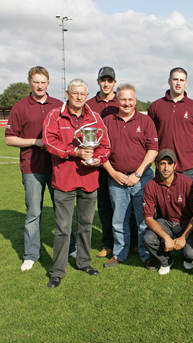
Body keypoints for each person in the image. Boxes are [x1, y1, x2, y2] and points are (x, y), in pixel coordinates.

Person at [5, 66, 76, 272]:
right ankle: (31, 254)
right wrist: (36, 142)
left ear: (48, 83)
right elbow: (9, 139)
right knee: (34, 213)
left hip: (58, 168)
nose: (39, 85)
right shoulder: (20, 107)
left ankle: (71, 248)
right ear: (30, 82)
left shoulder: (58, 105)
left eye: (43, 82)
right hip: (32, 168)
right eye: (36, 82)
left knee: (63, 212)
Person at [43, 79, 110, 288]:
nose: (79, 97)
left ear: (87, 94)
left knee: (86, 226)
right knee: (63, 228)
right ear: (67, 94)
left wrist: (98, 159)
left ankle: (83, 262)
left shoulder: (95, 117)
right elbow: (49, 142)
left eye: (83, 94)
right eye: (75, 93)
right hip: (64, 180)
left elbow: (106, 145)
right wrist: (75, 152)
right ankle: (57, 271)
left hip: (89, 180)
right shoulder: (55, 115)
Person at [101, 83, 158, 270]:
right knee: (118, 220)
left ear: (135, 100)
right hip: (116, 179)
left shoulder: (146, 121)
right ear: (117, 100)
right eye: (123, 99)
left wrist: (138, 173)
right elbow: (101, 151)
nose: (127, 103)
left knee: (143, 220)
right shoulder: (107, 121)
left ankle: (146, 254)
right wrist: (113, 173)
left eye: (130, 99)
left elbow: (153, 149)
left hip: (142, 178)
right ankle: (119, 254)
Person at [147, 67, 193, 187]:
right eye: (175, 79)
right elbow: (150, 136)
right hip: (164, 165)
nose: (178, 83)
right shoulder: (155, 106)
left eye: (181, 80)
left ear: (186, 83)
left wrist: (189, 153)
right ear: (169, 81)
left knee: (191, 204)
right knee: (163, 203)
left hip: (189, 168)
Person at [142, 149, 193, 275]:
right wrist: (166, 237)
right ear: (156, 165)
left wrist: (183, 237)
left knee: (190, 254)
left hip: (184, 221)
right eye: (162, 163)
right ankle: (166, 260)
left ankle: (188, 254)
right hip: (164, 221)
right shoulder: (150, 186)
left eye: (169, 163)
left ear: (175, 165)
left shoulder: (188, 183)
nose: (166, 167)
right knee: (148, 238)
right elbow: (148, 218)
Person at [86, 66, 119, 259]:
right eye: (103, 80)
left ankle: (130, 242)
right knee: (105, 206)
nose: (106, 84)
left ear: (114, 82)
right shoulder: (89, 104)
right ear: (98, 81)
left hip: (119, 162)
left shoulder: (121, 100)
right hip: (98, 165)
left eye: (110, 80)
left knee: (125, 205)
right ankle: (108, 243)